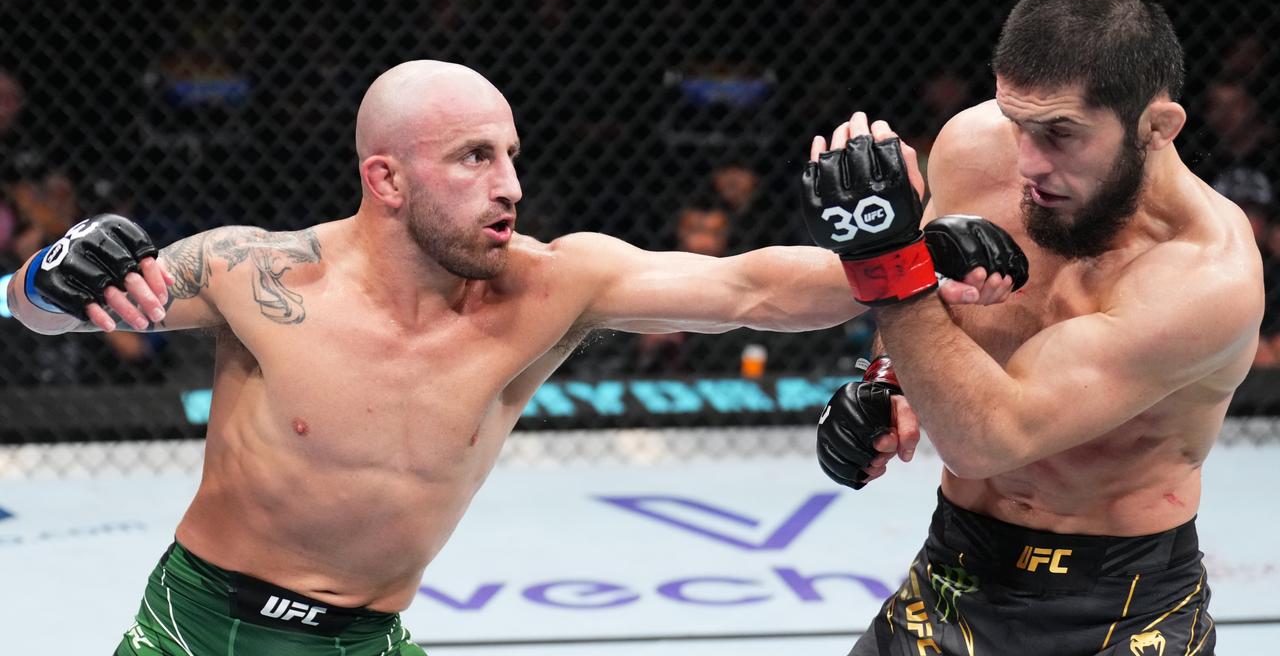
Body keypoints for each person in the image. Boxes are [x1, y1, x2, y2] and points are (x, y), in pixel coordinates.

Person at [8, 60, 1023, 654]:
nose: (509, 185)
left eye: (510, 156)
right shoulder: (257, 274)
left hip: (373, 639)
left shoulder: (548, 287)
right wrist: (48, 272)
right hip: (207, 628)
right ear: (386, 179)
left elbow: (746, 288)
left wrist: (907, 255)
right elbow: (43, 315)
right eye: (473, 159)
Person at [807, 0, 1264, 655]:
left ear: (1157, 127)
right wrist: (886, 379)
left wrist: (887, 263)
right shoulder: (975, 148)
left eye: (1059, 132)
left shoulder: (1208, 273)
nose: (1027, 163)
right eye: (1016, 122)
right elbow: (931, 313)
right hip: (958, 563)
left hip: (1126, 605)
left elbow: (991, 435)